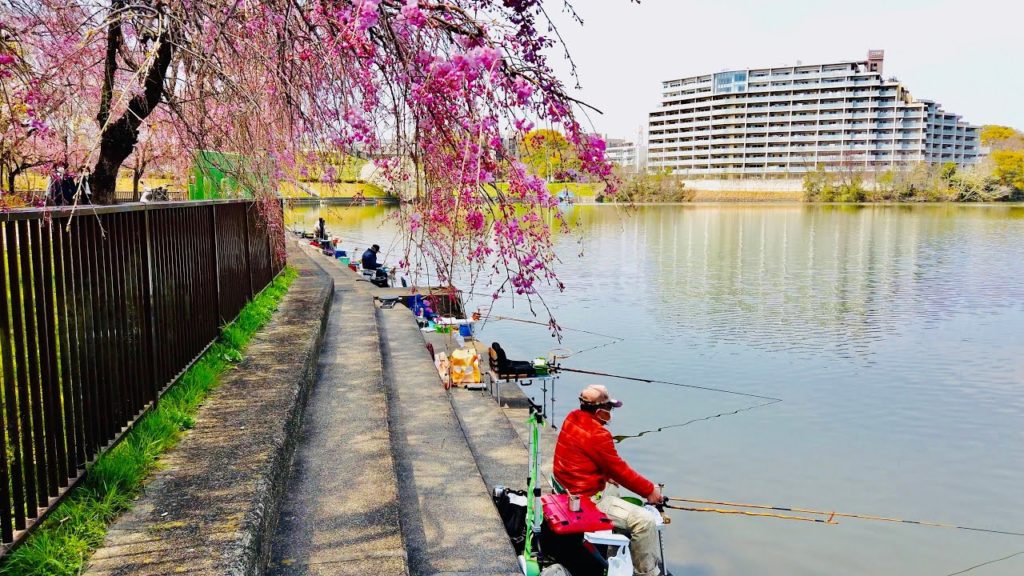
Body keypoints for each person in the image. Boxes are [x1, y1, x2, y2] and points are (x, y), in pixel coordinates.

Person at [553, 384, 665, 576]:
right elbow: (620, 470)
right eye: (609, 408)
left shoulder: (573, 417)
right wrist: (650, 491)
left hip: (568, 489)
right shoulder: (598, 434)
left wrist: (606, 476)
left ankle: (616, 553)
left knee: (613, 489)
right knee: (645, 521)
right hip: (586, 500)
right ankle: (646, 573)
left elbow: (586, 456)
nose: (610, 412)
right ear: (600, 412)